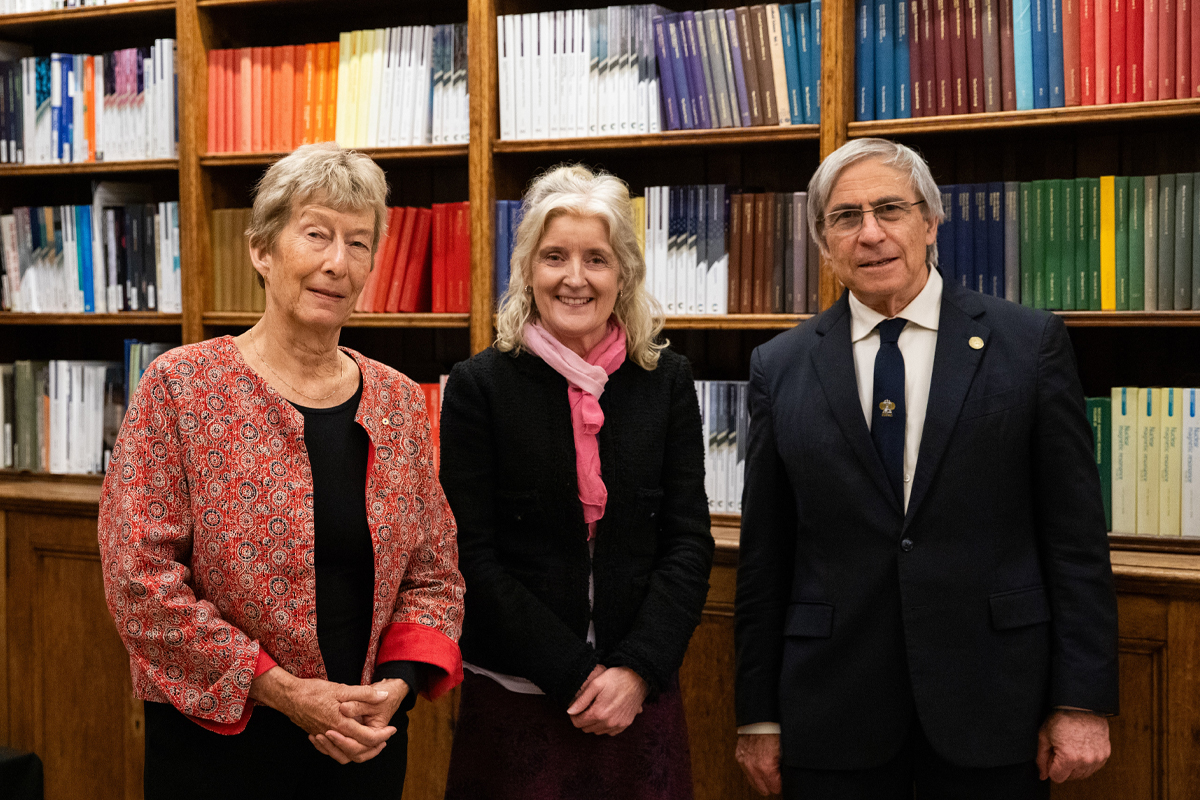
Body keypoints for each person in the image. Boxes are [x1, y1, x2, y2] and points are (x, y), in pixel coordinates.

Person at [734, 138, 1119, 799]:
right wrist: (758, 716)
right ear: (824, 241)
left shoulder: (1029, 345)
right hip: (831, 711)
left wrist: (1081, 700)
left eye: (890, 209)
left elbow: (1075, 539)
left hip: (994, 704)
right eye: (845, 217)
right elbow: (766, 554)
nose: (871, 234)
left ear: (931, 222)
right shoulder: (780, 366)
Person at [97, 143, 464, 800]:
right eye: (316, 234)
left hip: (363, 742)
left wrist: (397, 685)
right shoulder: (180, 387)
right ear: (262, 251)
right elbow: (139, 582)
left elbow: (434, 574)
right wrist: (280, 689)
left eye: (358, 243)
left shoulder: (400, 402)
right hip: (219, 747)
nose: (337, 262)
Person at [439, 164, 714, 800]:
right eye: (554, 256)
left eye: (596, 258)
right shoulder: (479, 386)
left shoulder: (667, 381)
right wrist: (574, 673)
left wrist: (636, 671)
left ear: (624, 274)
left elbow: (688, 541)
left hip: (637, 696)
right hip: (516, 694)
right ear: (527, 270)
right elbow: (469, 555)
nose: (575, 277)